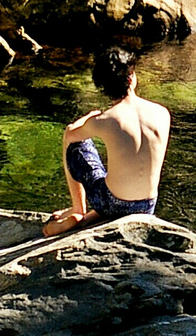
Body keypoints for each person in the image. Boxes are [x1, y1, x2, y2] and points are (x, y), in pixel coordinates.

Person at [43, 45, 170, 237]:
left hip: (112, 203)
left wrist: (90, 116)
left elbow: (71, 135)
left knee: (74, 141)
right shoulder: (162, 113)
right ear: (131, 78)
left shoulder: (105, 120)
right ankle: (87, 219)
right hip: (147, 205)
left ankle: (78, 209)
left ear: (104, 88)